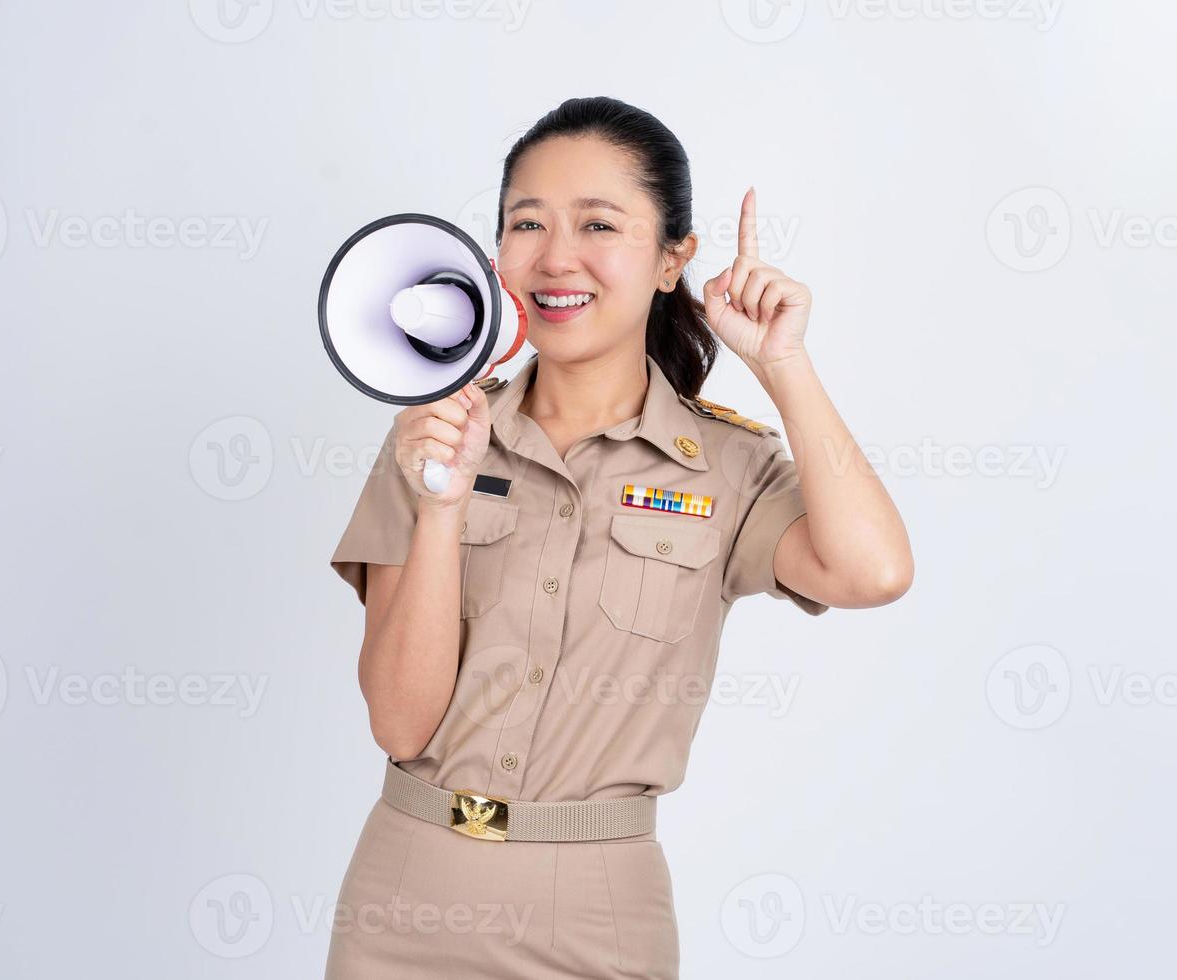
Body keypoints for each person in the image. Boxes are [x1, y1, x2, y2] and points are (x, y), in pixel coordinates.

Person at [324, 96, 913, 979]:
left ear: (673, 257)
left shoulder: (726, 464)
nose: (556, 257)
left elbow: (873, 572)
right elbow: (400, 721)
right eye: (527, 223)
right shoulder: (431, 436)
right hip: (406, 893)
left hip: (599, 913)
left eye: (599, 223)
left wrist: (783, 364)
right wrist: (441, 503)